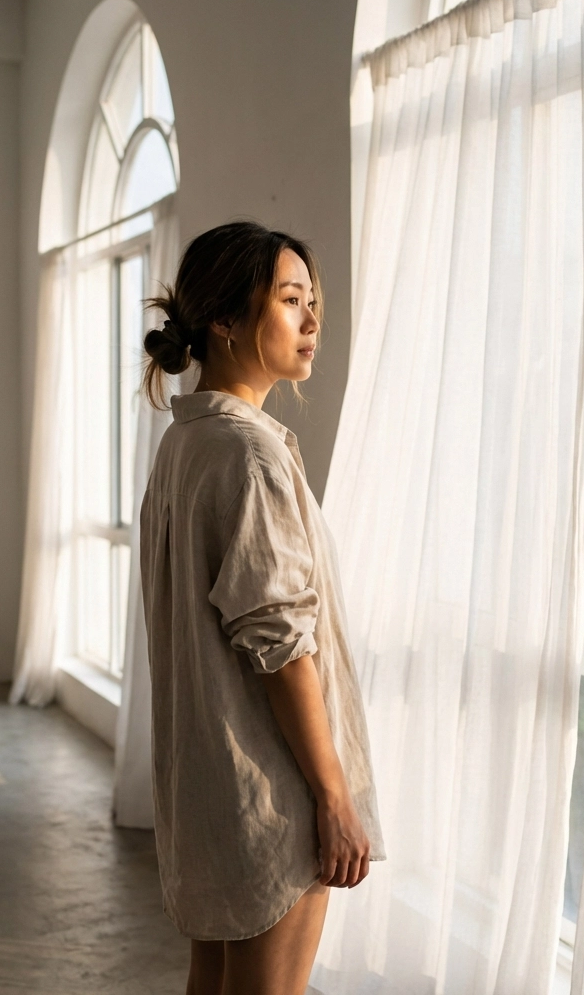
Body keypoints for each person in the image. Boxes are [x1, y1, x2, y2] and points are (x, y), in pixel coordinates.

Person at [138, 221, 385, 995]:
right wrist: (333, 798)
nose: (311, 320)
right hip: (271, 795)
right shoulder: (248, 456)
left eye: (312, 301)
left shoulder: (185, 445)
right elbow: (280, 646)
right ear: (224, 318)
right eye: (289, 299)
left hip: (212, 790)